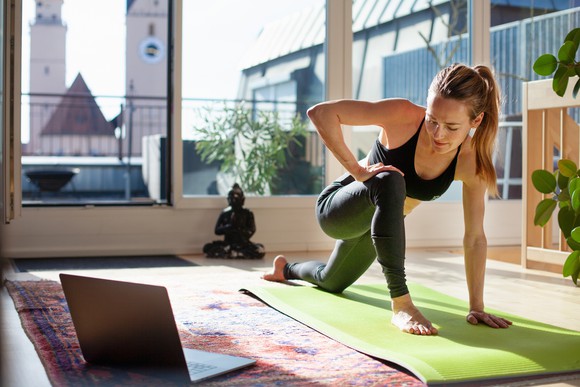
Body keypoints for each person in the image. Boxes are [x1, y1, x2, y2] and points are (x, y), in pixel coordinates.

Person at [263, 63, 513, 335]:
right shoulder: (403, 115)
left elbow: (475, 237)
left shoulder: (471, 163)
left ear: (475, 121)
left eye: (452, 127)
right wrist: (357, 171)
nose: (438, 134)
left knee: (331, 281)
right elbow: (321, 113)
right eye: (432, 120)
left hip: (380, 228)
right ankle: (402, 304)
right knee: (393, 179)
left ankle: (285, 269)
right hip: (337, 210)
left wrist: (476, 305)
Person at [203, 183, 265, 259]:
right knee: (207, 248)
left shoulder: (247, 213)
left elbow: (252, 230)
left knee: (260, 249)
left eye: (236, 199)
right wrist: (229, 227)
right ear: (228, 199)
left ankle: (233, 253)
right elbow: (217, 231)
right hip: (228, 243)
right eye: (231, 199)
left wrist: (240, 228)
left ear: (242, 199)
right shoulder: (225, 213)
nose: (233, 201)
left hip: (243, 243)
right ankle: (236, 253)